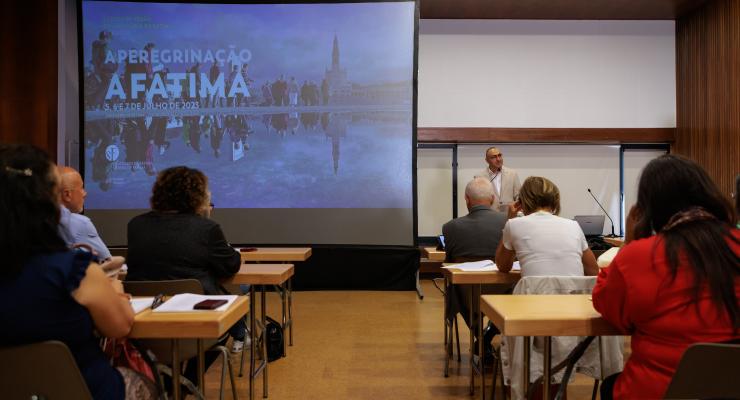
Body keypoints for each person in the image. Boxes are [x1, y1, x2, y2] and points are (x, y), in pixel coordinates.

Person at [0, 144, 155, 400]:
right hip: (84, 390)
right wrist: (115, 288)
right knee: (148, 381)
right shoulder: (75, 270)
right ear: (50, 201)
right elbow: (120, 325)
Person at [593, 155, 739, 400]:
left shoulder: (639, 256)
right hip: (733, 388)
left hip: (659, 391)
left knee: (611, 385)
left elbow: (609, 307)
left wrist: (628, 243)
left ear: (650, 207)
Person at [126, 166, 246, 354]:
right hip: (198, 325)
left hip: (144, 324)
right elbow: (231, 266)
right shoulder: (206, 229)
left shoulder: (135, 225)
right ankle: (189, 381)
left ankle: (173, 379)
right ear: (198, 196)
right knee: (241, 288)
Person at [495, 176, 599, 276]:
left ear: (522, 202)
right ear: (555, 200)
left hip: (532, 293)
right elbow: (593, 271)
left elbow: (503, 267)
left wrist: (509, 219)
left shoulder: (514, 224)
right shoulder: (573, 225)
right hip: (572, 293)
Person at [442, 177, 507, 329]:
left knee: (455, 290)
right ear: (492, 199)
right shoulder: (509, 223)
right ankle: (489, 334)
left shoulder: (450, 228)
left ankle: (478, 334)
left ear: (467, 199)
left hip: (466, 296)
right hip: (503, 293)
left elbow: (449, 263)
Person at [58, 166, 112, 261]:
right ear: (67, 195)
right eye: (81, 188)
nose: (85, 193)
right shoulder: (81, 223)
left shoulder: (32, 219)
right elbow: (107, 262)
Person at [475, 146, 521, 211]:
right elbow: (478, 200)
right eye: (493, 157)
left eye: (499, 155)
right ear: (487, 160)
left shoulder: (512, 174)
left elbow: (518, 196)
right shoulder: (479, 177)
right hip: (489, 215)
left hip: (509, 215)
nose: (498, 159)